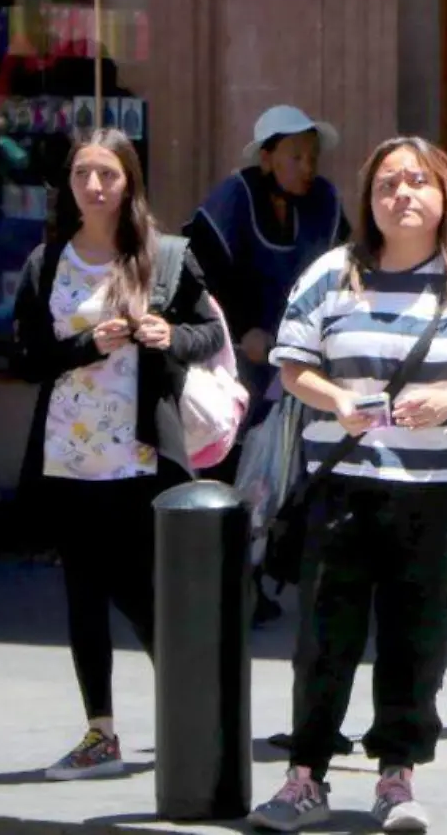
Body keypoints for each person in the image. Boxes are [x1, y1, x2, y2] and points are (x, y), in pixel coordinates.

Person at [250, 137, 447, 832]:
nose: (402, 195)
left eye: (417, 183)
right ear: (369, 201)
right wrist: (335, 399)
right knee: (324, 634)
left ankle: (396, 779)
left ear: (444, 197)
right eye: (386, 185)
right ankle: (304, 776)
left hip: (437, 490)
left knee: (416, 635)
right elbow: (291, 369)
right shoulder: (331, 274)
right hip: (342, 481)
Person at [16, 129, 226, 781]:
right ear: (69, 184)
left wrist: (166, 335)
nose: (96, 186)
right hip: (67, 455)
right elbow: (24, 357)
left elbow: (208, 332)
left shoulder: (161, 258)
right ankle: (99, 732)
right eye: (84, 174)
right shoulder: (46, 262)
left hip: (138, 455)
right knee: (83, 591)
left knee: (141, 589)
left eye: (108, 174)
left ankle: (195, 714)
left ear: (129, 181)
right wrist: (87, 347)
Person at [184, 104, 348, 618]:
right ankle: (229, 586)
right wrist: (238, 332)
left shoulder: (323, 202)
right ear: (267, 157)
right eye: (296, 156)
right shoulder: (233, 201)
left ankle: (268, 572)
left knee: (291, 473)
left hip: (300, 363)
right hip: (239, 362)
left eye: (312, 156)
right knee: (238, 470)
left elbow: (346, 268)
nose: (307, 166)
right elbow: (196, 279)